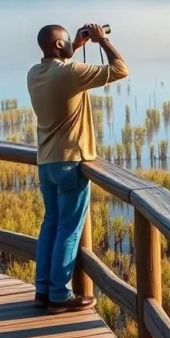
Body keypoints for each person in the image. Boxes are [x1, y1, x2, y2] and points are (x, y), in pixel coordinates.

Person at [26, 23, 128, 314]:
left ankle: (42, 291)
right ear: (59, 45)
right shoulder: (71, 74)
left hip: (46, 163)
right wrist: (102, 40)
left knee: (51, 225)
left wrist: (77, 45)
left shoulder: (34, 73)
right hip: (70, 163)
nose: (73, 41)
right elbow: (120, 69)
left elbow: (60, 68)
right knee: (69, 231)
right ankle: (59, 295)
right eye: (68, 40)